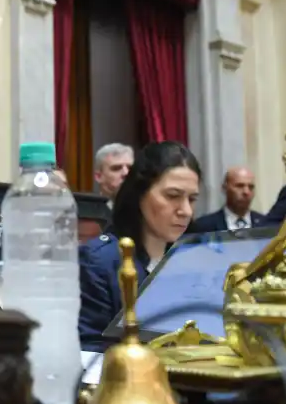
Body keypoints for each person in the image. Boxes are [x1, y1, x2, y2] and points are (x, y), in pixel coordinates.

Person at [78, 141, 201, 352]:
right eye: (173, 196)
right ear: (139, 194)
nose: (186, 211)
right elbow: (90, 352)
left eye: (192, 199)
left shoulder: (191, 260)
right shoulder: (99, 261)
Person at [192, 166, 264, 232]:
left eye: (251, 187)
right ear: (224, 188)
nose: (246, 192)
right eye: (240, 186)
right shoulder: (203, 226)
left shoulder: (266, 224)